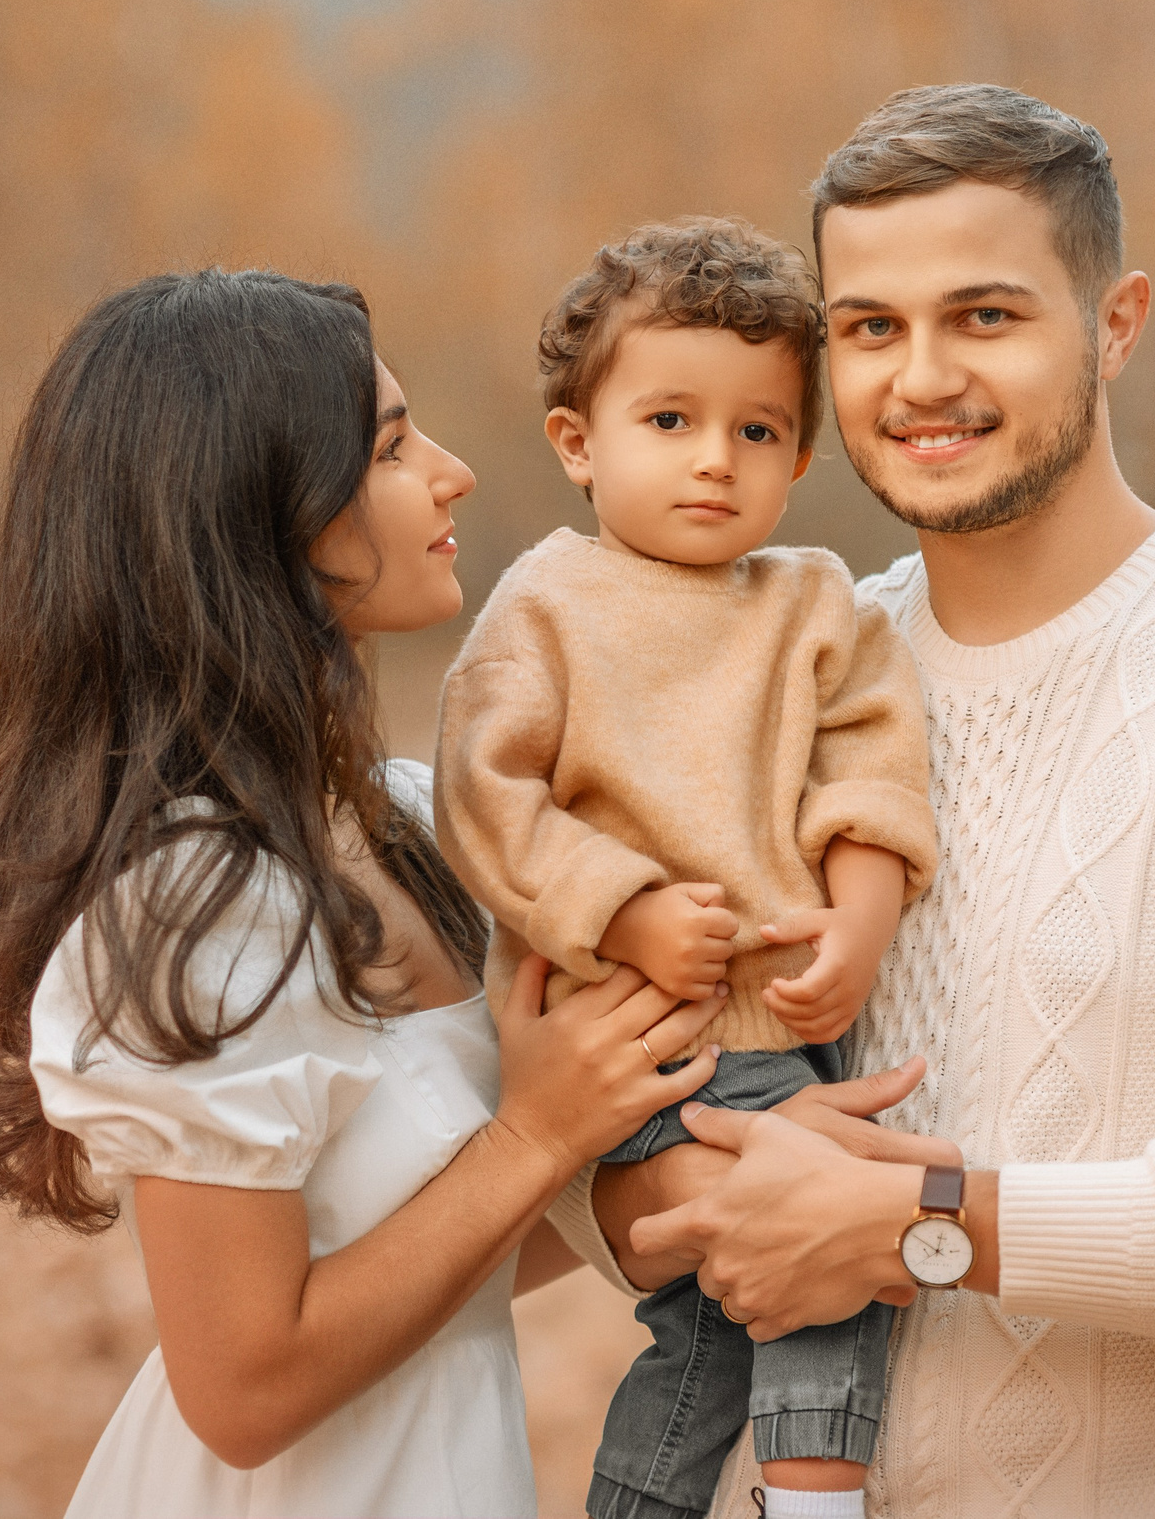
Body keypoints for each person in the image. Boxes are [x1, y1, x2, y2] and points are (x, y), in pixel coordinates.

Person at [556, 85, 1155, 1517]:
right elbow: (608, 1122)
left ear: (1115, 322)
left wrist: (922, 1223)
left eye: (984, 315)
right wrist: (674, 1192)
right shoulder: (790, 673)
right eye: (869, 328)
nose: (919, 377)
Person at [0, 267, 743, 1518]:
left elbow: (435, 1244)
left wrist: (653, 1195)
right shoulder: (197, 896)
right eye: (393, 446)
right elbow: (243, 1393)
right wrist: (538, 1133)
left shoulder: (403, 821)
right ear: (254, 512)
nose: (453, 472)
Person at [434, 218, 941, 1519]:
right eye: (670, 420)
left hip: (782, 1038)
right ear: (577, 444)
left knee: (716, 1327)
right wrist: (630, 906)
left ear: (800, 453)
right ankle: (819, 1503)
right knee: (837, 1232)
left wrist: (862, 921)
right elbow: (487, 798)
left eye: (757, 430)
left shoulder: (818, 605)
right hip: (630, 1031)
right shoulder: (546, 606)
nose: (715, 459)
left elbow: (872, 768)